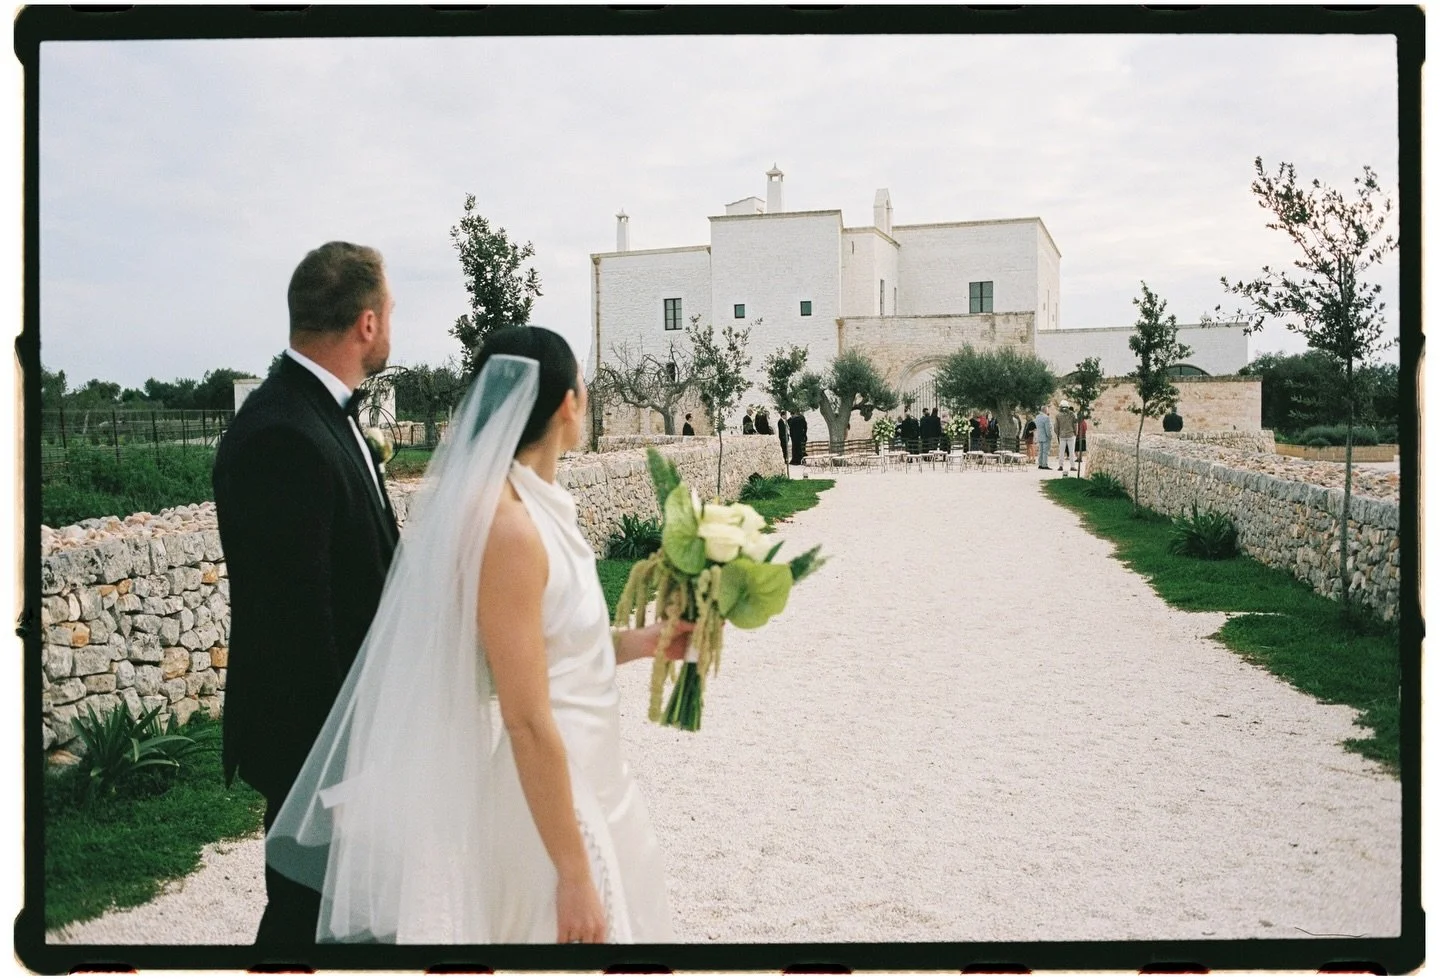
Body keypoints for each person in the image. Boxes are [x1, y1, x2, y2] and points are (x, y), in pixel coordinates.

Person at [267, 326, 692, 944]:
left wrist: (648, 640)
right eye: (583, 381)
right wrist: (572, 872)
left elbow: (557, 648)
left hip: (599, 774)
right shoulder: (507, 527)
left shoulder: (542, 503)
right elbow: (524, 716)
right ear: (568, 403)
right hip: (553, 801)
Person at [212, 242, 400, 950]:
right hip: (320, 756)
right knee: (305, 927)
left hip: (356, 742)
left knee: (356, 931)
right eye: (391, 311)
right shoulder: (281, 435)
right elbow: (294, 626)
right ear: (367, 324)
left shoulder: (323, 415)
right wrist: (339, 782)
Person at [1056, 400, 1078, 475]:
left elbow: (1056, 426)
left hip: (1062, 435)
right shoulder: (1072, 414)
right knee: (1071, 451)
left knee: (1061, 451)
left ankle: (1060, 466)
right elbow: (1075, 424)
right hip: (1071, 434)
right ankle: (1072, 466)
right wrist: (1076, 432)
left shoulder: (1058, 415)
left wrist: (1058, 434)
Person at [1034, 405, 1054, 470]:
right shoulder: (1046, 418)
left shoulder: (1037, 417)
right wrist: (1050, 436)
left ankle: (1040, 464)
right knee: (1045, 451)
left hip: (1039, 436)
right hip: (1045, 436)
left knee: (1040, 451)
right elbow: (1047, 429)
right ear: (1045, 410)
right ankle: (1044, 464)